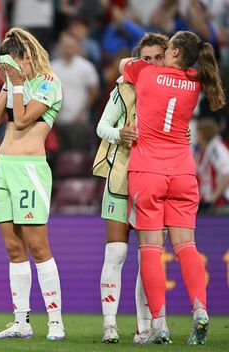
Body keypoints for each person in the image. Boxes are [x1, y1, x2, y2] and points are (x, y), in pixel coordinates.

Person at [121, 30, 226, 345]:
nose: (162, 53)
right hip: (182, 172)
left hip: (148, 170)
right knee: (186, 246)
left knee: (151, 249)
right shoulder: (196, 83)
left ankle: (160, 324)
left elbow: (127, 62)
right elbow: (194, 67)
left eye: (167, 49)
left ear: (176, 53)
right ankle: (200, 310)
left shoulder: (146, 73)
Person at [0, 27, 65, 341]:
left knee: (38, 246)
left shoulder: (48, 82)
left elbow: (22, 120)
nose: (8, 70)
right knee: (13, 248)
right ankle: (21, 321)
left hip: (30, 169)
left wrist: (17, 86)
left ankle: (55, 321)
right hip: (4, 167)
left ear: (25, 58)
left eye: (11, 64)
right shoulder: (13, 83)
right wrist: (8, 85)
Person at [95, 33, 169, 344]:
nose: (152, 64)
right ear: (139, 60)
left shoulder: (171, 93)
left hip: (154, 179)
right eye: (147, 58)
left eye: (157, 58)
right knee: (116, 253)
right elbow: (102, 127)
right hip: (122, 178)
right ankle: (109, 324)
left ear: (166, 59)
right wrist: (119, 134)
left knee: (148, 258)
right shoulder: (124, 89)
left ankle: (144, 327)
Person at [194, 118, 229, 212]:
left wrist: (214, 198)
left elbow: (227, 175)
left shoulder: (217, 149)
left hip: (220, 203)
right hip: (204, 201)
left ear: (204, 134)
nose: (196, 135)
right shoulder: (199, 150)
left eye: (198, 132)